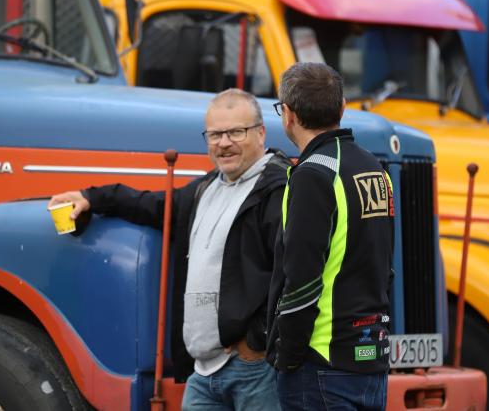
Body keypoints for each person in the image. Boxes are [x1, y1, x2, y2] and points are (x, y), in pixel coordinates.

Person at [48, 88, 289, 411]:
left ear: (260, 133)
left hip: (254, 370)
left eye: (235, 132)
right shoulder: (207, 188)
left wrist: (258, 341)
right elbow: (152, 205)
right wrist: (92, 197)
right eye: (215, 134)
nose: (224, 143)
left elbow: (294, 272)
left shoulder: (280, 189)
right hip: (203, 372)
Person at [267, 62, 394, 410]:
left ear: (288, 115)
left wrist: (288, 356)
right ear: (341, 108)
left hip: (321, 362)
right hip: (370, 357)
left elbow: (302, 280)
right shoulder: (375, 169)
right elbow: (384, 263)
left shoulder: (312, 174)